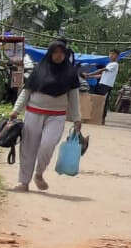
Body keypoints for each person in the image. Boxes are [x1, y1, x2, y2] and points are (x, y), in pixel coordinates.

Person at [8, 39, 82, 192]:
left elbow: (74, 98)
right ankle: (23, 182)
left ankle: (39, 173)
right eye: (55, 52)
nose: (58, 56)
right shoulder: (38, 70)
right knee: (28, 148)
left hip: (57, 116)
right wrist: (16, 110)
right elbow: (26, 91)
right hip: (33, 113)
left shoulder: (70, 73)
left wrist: (77, 118)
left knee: (47, 146)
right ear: (50, 53)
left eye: (62, 53)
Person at [85, 50, 120, 124]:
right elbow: (101, 75)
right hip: (102, 84)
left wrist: (89, 74)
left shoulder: (114, 64)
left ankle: (100, 118)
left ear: (117, 56)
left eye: (112, 54)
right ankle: (98, 118)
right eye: (110, 53)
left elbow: (101, 70)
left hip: (105, 85)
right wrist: (90, 76)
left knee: (101, 102)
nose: (110, 55)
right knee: (100, 101)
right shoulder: (109, 64)